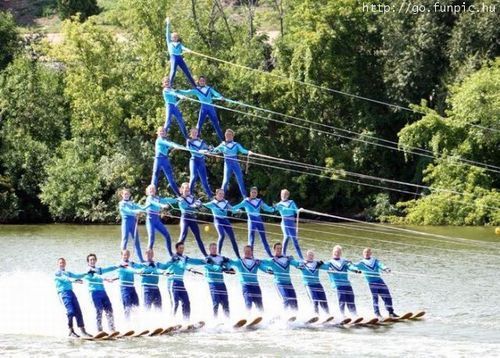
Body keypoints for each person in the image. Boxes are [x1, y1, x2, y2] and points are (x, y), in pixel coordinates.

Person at [160, 242, 206, 320]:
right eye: (180, 248)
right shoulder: (174, 258)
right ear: (177, 249)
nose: (182, 250)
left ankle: (186, 321)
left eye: (183, 248)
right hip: (172, 281)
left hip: (180, 283)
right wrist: (190, 269)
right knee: (175, 303)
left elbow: (194, 261)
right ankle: (170, 321)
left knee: (186, 302)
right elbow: (181, 265)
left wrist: (204, 261)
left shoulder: (185, 258)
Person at [161, 182, 208, 256]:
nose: (187, 190)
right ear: (181, 190)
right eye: (185, 188)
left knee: (198, 237)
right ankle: (177, 256)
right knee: (183, 236)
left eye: (188, 188)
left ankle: (206, 256)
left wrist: (200, 204)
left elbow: (200, 207)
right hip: (185, 218)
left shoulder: (193, 198)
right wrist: (163, 203)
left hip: (192, 218)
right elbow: (169, 200)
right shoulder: (180, 199)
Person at [177, 76, 225, 141]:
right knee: (199, 123)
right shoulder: (197, 90)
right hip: (204, 107)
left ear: (205, 82)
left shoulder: (209, 88)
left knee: (216, 123)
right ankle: (196, 138)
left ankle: (222, 140)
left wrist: (220, 97)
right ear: (198, 82)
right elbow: (188, 92)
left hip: (211, 107)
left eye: (203, 81)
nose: (202, 82)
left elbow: (215, 93)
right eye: (201, 81)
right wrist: (178, 91)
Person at [355, 248, 399, 318]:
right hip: (371, 283)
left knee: (388, 296)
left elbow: (381, 265)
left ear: (371, 253)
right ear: (363, 254)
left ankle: (391, 312)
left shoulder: (375, 261)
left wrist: (386, 269)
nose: (366, 254)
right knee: (375, 298)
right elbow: (352, 266)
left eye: (368, 252)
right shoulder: (361, 263)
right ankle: (377, 314)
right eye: (365, 253)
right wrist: (349, 266)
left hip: (379, 281)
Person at [54, 258, 91, 338]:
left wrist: (86, 273)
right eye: (60, 263)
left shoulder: (67, 272)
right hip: (63, 293)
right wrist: (75, 281)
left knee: (78, 311)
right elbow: (65, 279)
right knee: (71, 312)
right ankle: (71, 331)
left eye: (63, 262)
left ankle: (83, 331)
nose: (62, 264)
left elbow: (77, 275)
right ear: (57, 264)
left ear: (65, 263)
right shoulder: (57, 273)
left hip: (71, 293)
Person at [81, 254, 118, 333]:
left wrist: (118, 266)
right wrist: (106, 278)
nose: (92, 261)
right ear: (88, 262)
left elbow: (109, 269)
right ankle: (100, 330)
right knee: (99, 310)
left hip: (103, 292)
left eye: (94, 259)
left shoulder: (99, 269)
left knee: (109, 309)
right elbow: (96, 276)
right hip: (94, 293)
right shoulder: (88, 271)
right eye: (90, 260)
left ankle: (112, 329)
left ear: (96, 260)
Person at [319, 245, 360, 318]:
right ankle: (342, 315)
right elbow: (323, 266)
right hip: (337, 284)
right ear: (332, 253)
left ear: (341, 253)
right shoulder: (329, 263)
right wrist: (320, 263)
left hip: (347, 284)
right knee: (342, 299)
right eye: (335, 252)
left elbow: (350, 266)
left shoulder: (344, 261)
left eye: (338, 252)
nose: (336, 253)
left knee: (351, 299)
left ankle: (354, 315)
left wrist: (356, 270)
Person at [232, 186, 274, 257]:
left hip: (259, 221)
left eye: (255, 192)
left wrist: (274, 208)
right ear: (250, 193)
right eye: (252, 192)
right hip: (251, 221)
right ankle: (251, 256)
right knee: (251, 239)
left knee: (264, 238)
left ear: (257, 193)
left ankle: (270, 255)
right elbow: (235, 207)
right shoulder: (246, 201)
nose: (254, 194)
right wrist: (235, 211)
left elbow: (267, 208)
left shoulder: (259, 201)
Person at [210, 129, 251, 197]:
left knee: (240, 180)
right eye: (227, 135)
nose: (228, 136)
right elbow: (215, 150)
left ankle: (245, 198)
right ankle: (220, 197)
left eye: (229, 135)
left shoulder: (236, 144)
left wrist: (248, 152)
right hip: (227, 163)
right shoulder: (222, 145)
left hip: (235, 163)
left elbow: (242, 150)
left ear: (232, 136)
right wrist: (209, 150)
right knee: (225, 181)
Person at [260, 243, 300, 311]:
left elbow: (297, 264)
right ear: (274, 250)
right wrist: (267, 270)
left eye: (280, 248)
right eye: (277, 248)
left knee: (294, 301)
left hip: (288, 283)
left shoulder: (287, 259)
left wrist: (293, 259)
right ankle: (285, 316)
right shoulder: (272, 260)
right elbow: (260, 263)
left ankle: (295, 316)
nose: (279, 250)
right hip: (279, 283)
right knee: (286, 299)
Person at [227, 245, 266, 312]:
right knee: (248, 303)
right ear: (243, 252)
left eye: (249, 251)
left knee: (260, 304)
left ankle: (262, 317)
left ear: (252, 252)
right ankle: (248, 317)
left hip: (256, 286)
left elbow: (264, 268)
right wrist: (229, 268)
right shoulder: (240, 262)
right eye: (246, 251)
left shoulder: (256, 262)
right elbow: (230, 263)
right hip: (246, 286)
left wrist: (269, 270)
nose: (247, 252)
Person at [203, 188, 240, 258]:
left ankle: (238, 256)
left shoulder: (226, 202)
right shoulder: (212, 203)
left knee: (232, 238)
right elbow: (203, 205)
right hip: (217, 220)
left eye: (223, 194)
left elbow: (233, 210)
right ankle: (219, 254)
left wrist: (238, 210)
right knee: (222, 235)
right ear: (216, 194)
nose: (221, 195)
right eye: (220, 194)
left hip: (225, 220)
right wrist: (197, 204)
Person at [294, 250, 330, 315]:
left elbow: (327, 267)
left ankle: (328, 315)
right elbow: (294, 263)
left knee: (323, 300)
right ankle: (316, 315)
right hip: (309, 285)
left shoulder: (316, 263)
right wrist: (290, 259)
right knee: (315, 300)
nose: (311, 256)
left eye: (312, 255)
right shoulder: (302, 263)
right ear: (306, 256)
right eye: (309, 255)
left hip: (318, 284)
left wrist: (323, 263)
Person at [142, 184, 174, 256]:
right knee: (151, 238)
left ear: (155, 190)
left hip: (157, 220)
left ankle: (171, 254)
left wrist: (176, 200)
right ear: (147, 191)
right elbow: (155, 203)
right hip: (150, 221)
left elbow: (166, 200)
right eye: (150, 189)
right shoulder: (149, 198)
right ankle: (148, 257)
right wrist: (162, 205)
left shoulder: (157, 198)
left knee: (167, 235)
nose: (152, 190)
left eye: (153, 189)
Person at [202, 242, 232, 318]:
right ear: (209, 249)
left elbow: (228, 264)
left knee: (226, 303)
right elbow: (212, 267)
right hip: (213, 283)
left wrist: (229, 268)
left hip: (222, 284)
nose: (214, 250)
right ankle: (215, 319)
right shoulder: (207, 259)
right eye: (212, 248)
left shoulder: (221, 258)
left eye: (215, 248)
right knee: (216, 302)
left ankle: (228, 319)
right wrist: (222, 268)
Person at [151, 126, 182, 196]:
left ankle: (179, 194)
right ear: (157, 133)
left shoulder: (165, 140)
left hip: (165, 159)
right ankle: (152, 195)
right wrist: (174, 146)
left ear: (165, 133)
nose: (162, 132)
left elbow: (170, 145)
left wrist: (179, 146)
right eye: (160, 131)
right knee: (155, 176)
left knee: (170, 178)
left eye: (163, 131)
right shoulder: (159, 140)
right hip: (158, 159)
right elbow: (169, 144)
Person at [165, 17, 196, 86]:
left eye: (176, 37)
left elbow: (184, 48)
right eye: (173, 37)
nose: (175, 38)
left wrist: (189, 50)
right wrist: (168, 24)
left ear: (178, 38)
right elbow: (167, 33)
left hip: (179, 58)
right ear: (171, 38)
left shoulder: (179, 44)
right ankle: (170, 85)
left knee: (187, 71)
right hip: (173, 57)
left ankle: (194, 85)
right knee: (173, 71)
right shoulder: (169, 42)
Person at [275, 189, 303, 259]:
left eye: (285, 194)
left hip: (291, 223)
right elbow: (271, 209)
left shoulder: (291, 202)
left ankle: (301, 258)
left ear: (288, 195)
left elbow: (296, 211)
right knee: (287, 236)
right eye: (282, 194)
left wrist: (299, 210)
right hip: (284, 222)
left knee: (294, 240)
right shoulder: (278, 204)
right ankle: (283, 254)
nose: (283, 196)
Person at [118, 188, 144, 263]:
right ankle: (123, 259)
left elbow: (141, 207)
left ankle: (141, 260)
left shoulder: (132, 203)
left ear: (130, 195)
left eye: (127, 194)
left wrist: (146, 209)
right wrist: (136, 211)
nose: (126, 195)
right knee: (125, 239)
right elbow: (127, 211)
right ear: (122, 195)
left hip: (133, 222)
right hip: (126, 222)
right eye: (125, 194)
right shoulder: (121, 204)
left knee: (136, 240)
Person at [187, 127, 213, 197]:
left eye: (196, 132)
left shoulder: (202, 141)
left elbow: (207, 148)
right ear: (191, 134)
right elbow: (192, 150)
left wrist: (210, 149)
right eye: (193, 133)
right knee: (193, 177)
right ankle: (189, 194)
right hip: (194, 160)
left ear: (198, 133)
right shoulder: (189, 141)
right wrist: (201, 151)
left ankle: (210, 196)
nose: (195, 134)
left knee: (204, 180)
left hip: (201, 161)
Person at [115, 250, 141, 319]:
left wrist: (143, 269)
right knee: (127, 306)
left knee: (136, 305)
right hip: (124, 287)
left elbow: (140, 266)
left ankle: (136, 322)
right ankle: (127, 323)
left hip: (132, 287)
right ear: (121, 255)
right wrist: (136, 271)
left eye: (127, 255)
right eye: (124, 255)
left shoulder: (131, 263)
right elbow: (128, 269)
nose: (126, 256)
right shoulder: (120, 264)